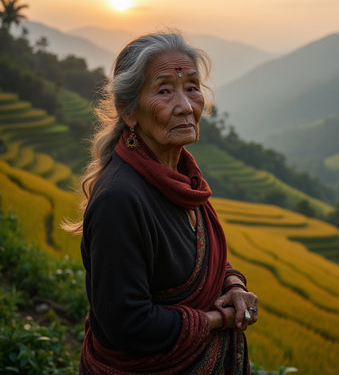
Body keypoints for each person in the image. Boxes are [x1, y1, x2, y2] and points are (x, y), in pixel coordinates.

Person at [64, 32, 258, 374]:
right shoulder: (119, 200)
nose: (185, 106)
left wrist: (233, 285)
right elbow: (128, 324)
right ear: (128, 111)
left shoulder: (183, 179)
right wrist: (220, 319)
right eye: (165, 91)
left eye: (192, 87)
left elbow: (199, 257)